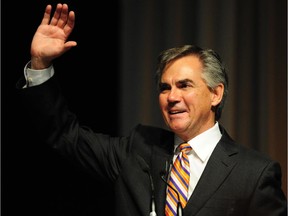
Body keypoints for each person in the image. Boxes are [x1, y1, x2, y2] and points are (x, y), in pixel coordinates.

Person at [16, 3, 287, 216]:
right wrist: (40, 64)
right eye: (164, 88)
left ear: (215, 94)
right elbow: (65, 135)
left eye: (184, 85)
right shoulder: (138, 149)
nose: (172, 97)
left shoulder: (254, 174)